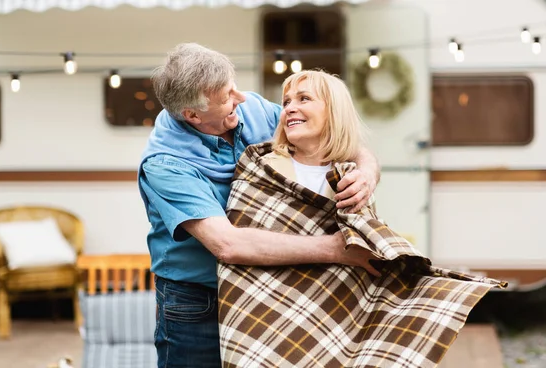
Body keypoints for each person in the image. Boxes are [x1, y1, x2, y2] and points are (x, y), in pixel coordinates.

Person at [217, 70, 507, 367]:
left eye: (304, 99)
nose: (289, 107)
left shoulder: (352, 178)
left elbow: (365, 249)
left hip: (334, 316)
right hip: (262, 316)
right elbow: (240, 244)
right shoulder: (259, 168)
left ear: (334, 112)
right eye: (287, 100)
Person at [138, 43, 382, 367]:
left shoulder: (249, 107)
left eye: (233, 88)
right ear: (193, 115)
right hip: (198, 300)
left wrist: (367, 171)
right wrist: (338, 249)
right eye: (227, 98)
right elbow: (228, 244)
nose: (240, 98)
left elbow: (337, 138)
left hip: (261, 282)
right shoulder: (165, 165)